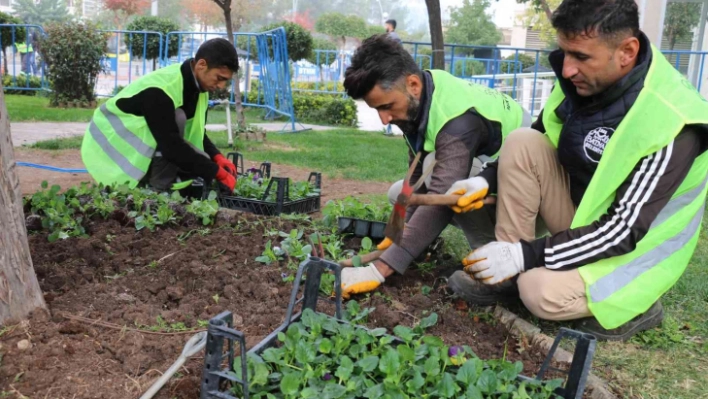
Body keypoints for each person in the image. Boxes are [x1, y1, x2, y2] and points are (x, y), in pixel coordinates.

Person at [446, 0, 708, 341]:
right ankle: (504, 274)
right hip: (589, 222)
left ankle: (639, 305)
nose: (567, 69)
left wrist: (526, 255)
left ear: (627, 51)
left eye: (581, 57)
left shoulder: (673, 120)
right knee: (522, 141)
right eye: (564, 52)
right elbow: (540, 133)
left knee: (538, 291)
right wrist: (484, 179)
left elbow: (623, 231)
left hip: (633, 254)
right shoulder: (582, 80)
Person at [339, 34, 532, 299]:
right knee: (399, 194)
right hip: (493, 181)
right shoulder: (420, 98)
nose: (384, 118)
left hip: (528, 200)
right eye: (377, 110)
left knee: (451, 186)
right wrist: (396, 239)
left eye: (387, 107)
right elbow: (417, 178)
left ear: (413, 84)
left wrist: (381, 268)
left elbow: (443, 197)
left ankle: (497, 269)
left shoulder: (456, 118)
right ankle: (421, 244)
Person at [81, 38, 239, 193]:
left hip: (142, 144)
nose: (221, 86)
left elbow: (196, 132)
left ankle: (159, 184)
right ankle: (156, 191)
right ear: (201, 65)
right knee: (178, 119)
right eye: (220, 78)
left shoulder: (198, 87)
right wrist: (216, 172)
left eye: (226, 81)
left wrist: (217, 157)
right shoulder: (161, 90)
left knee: (201, 158)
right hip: (108, 148)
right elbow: (171, 146)